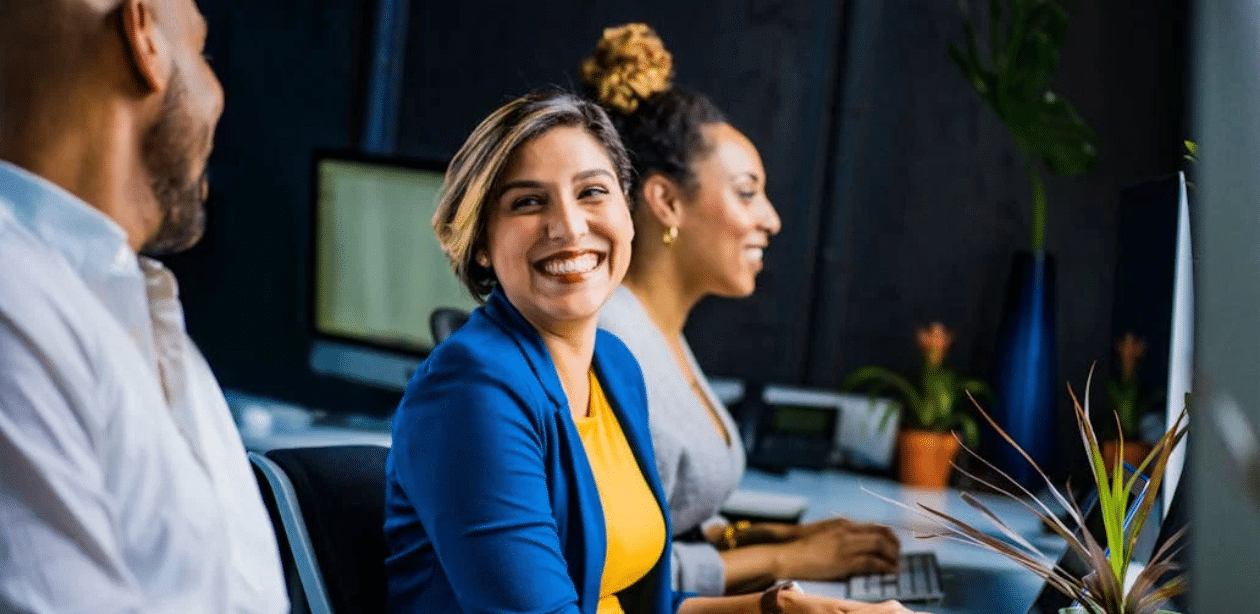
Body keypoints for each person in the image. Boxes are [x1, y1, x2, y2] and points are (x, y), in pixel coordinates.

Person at [384, 89, 924, 614]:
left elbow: (643, 604)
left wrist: (777, 609)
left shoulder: (615, 367)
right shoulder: (471, 389)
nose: (570, 227)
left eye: (592, 192)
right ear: (481, 242)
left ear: (626, 206)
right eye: (528, 202)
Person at [584, 24, 902, 596]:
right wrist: (786, 561)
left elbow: (671, 521)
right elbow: (615, 572)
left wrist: (769, 538)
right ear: (666, 201)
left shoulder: (660, 333)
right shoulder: (611, 344)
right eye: (747, 192)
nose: (772, 219)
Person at [0, 1, 287, 612]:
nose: (218, 94)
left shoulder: (142, 321)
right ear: (142, 36)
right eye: (203, 52)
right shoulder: (15, 305)